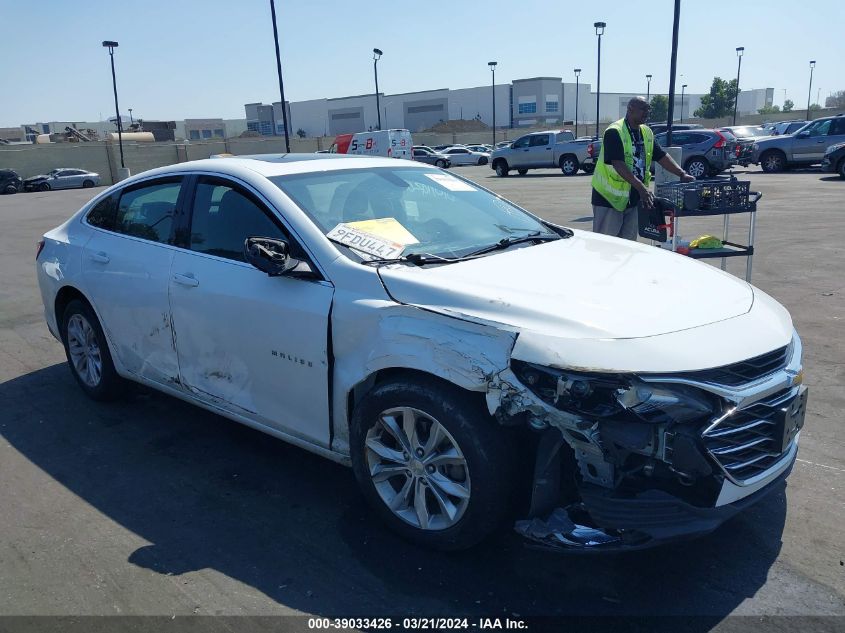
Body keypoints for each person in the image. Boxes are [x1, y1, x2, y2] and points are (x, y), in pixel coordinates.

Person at [591, 96, 695, 240]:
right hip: (608, 199)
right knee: (605, 245)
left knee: (628, 245)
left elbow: (662, 156)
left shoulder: (646, 132)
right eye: (643, 109)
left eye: (648, 110)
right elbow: (618, 163)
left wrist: (682, 173)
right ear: (630, 109)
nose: (647, 113)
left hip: (634, 199)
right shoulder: (615, 131)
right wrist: (641, 188)